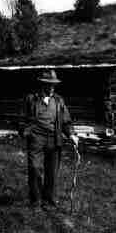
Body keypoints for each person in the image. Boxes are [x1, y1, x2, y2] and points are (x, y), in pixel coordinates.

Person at [19, 69, 78, 207]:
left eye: (53, 85)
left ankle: (49, 200)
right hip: (36, 138)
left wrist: (71, 134)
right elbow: (22, 118)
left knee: (52, 172)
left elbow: (66, 121)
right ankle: (36, 200)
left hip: (54, 139)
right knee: (35, 168)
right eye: (48, 84)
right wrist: (24, 131)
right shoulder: (31, 99)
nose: (51, 87)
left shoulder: (58, 100)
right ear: (42, 84)